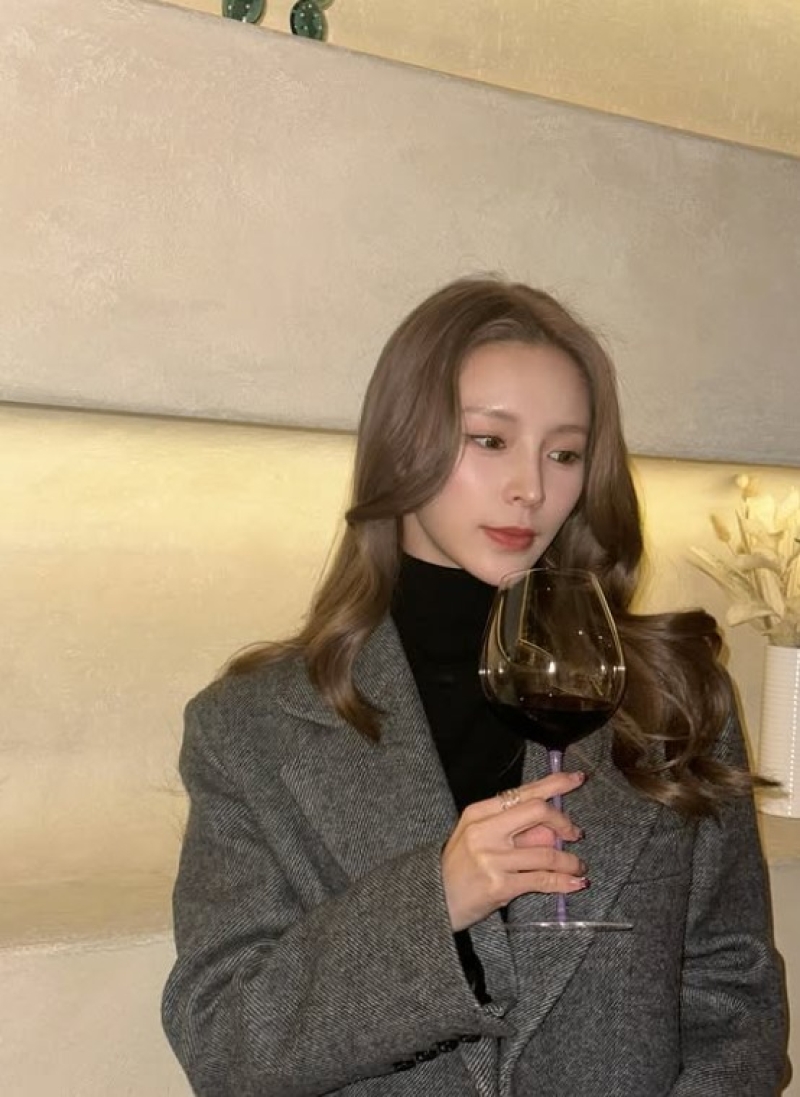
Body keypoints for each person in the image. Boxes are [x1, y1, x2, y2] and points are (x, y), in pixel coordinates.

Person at [162, 277, 788, 1096]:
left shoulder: (670, 698)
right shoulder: (251, 727)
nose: (531, 487)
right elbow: (224, 1041)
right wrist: (436, 904)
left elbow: (734, 998)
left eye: (564, 453)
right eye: (490, 440)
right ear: (401, 444)